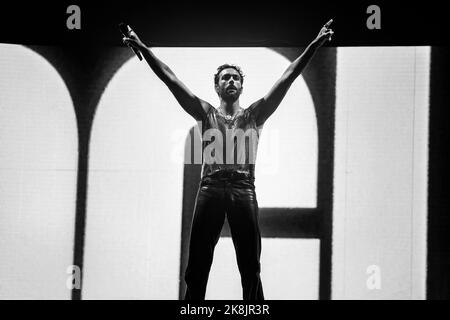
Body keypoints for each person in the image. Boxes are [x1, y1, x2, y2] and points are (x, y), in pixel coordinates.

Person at [122, 19, 334, 300]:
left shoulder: (255, 115)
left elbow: (288, 76)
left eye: (235, 77)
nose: (231, 80)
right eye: (226, 78)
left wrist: (314, 44)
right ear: (217, 87)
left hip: (243, 189)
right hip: (210, 187)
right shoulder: (205, 112)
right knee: (197, 264)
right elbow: (170, 78)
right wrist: (144, 49)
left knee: (250, 265)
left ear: (242, 87)